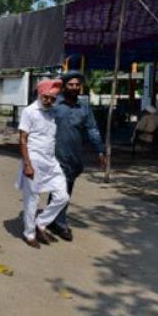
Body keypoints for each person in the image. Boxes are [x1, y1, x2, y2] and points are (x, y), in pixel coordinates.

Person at [47, 71, 105, 241]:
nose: (74, 87)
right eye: (71, 84)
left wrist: (100, 150)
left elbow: (92, 129)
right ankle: (60, 223)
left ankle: (51, 218)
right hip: (56, 154)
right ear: (64, 86)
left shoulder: (84, 108)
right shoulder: (54, 105)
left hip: (75, 155)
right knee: (61, 189)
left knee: (65, 187)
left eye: (77, 85)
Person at [17, 79, 69, 248]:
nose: (49, 101)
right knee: (32, 199)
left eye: (53, 98)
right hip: (34, 160)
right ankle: (29, 234)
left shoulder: (52, 112)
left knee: (63, 196)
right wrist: (27, 164)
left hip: (50, 161)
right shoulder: (29, 112)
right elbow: (23, 139)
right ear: (40, 94)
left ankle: (41, 222)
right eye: (46, 97)